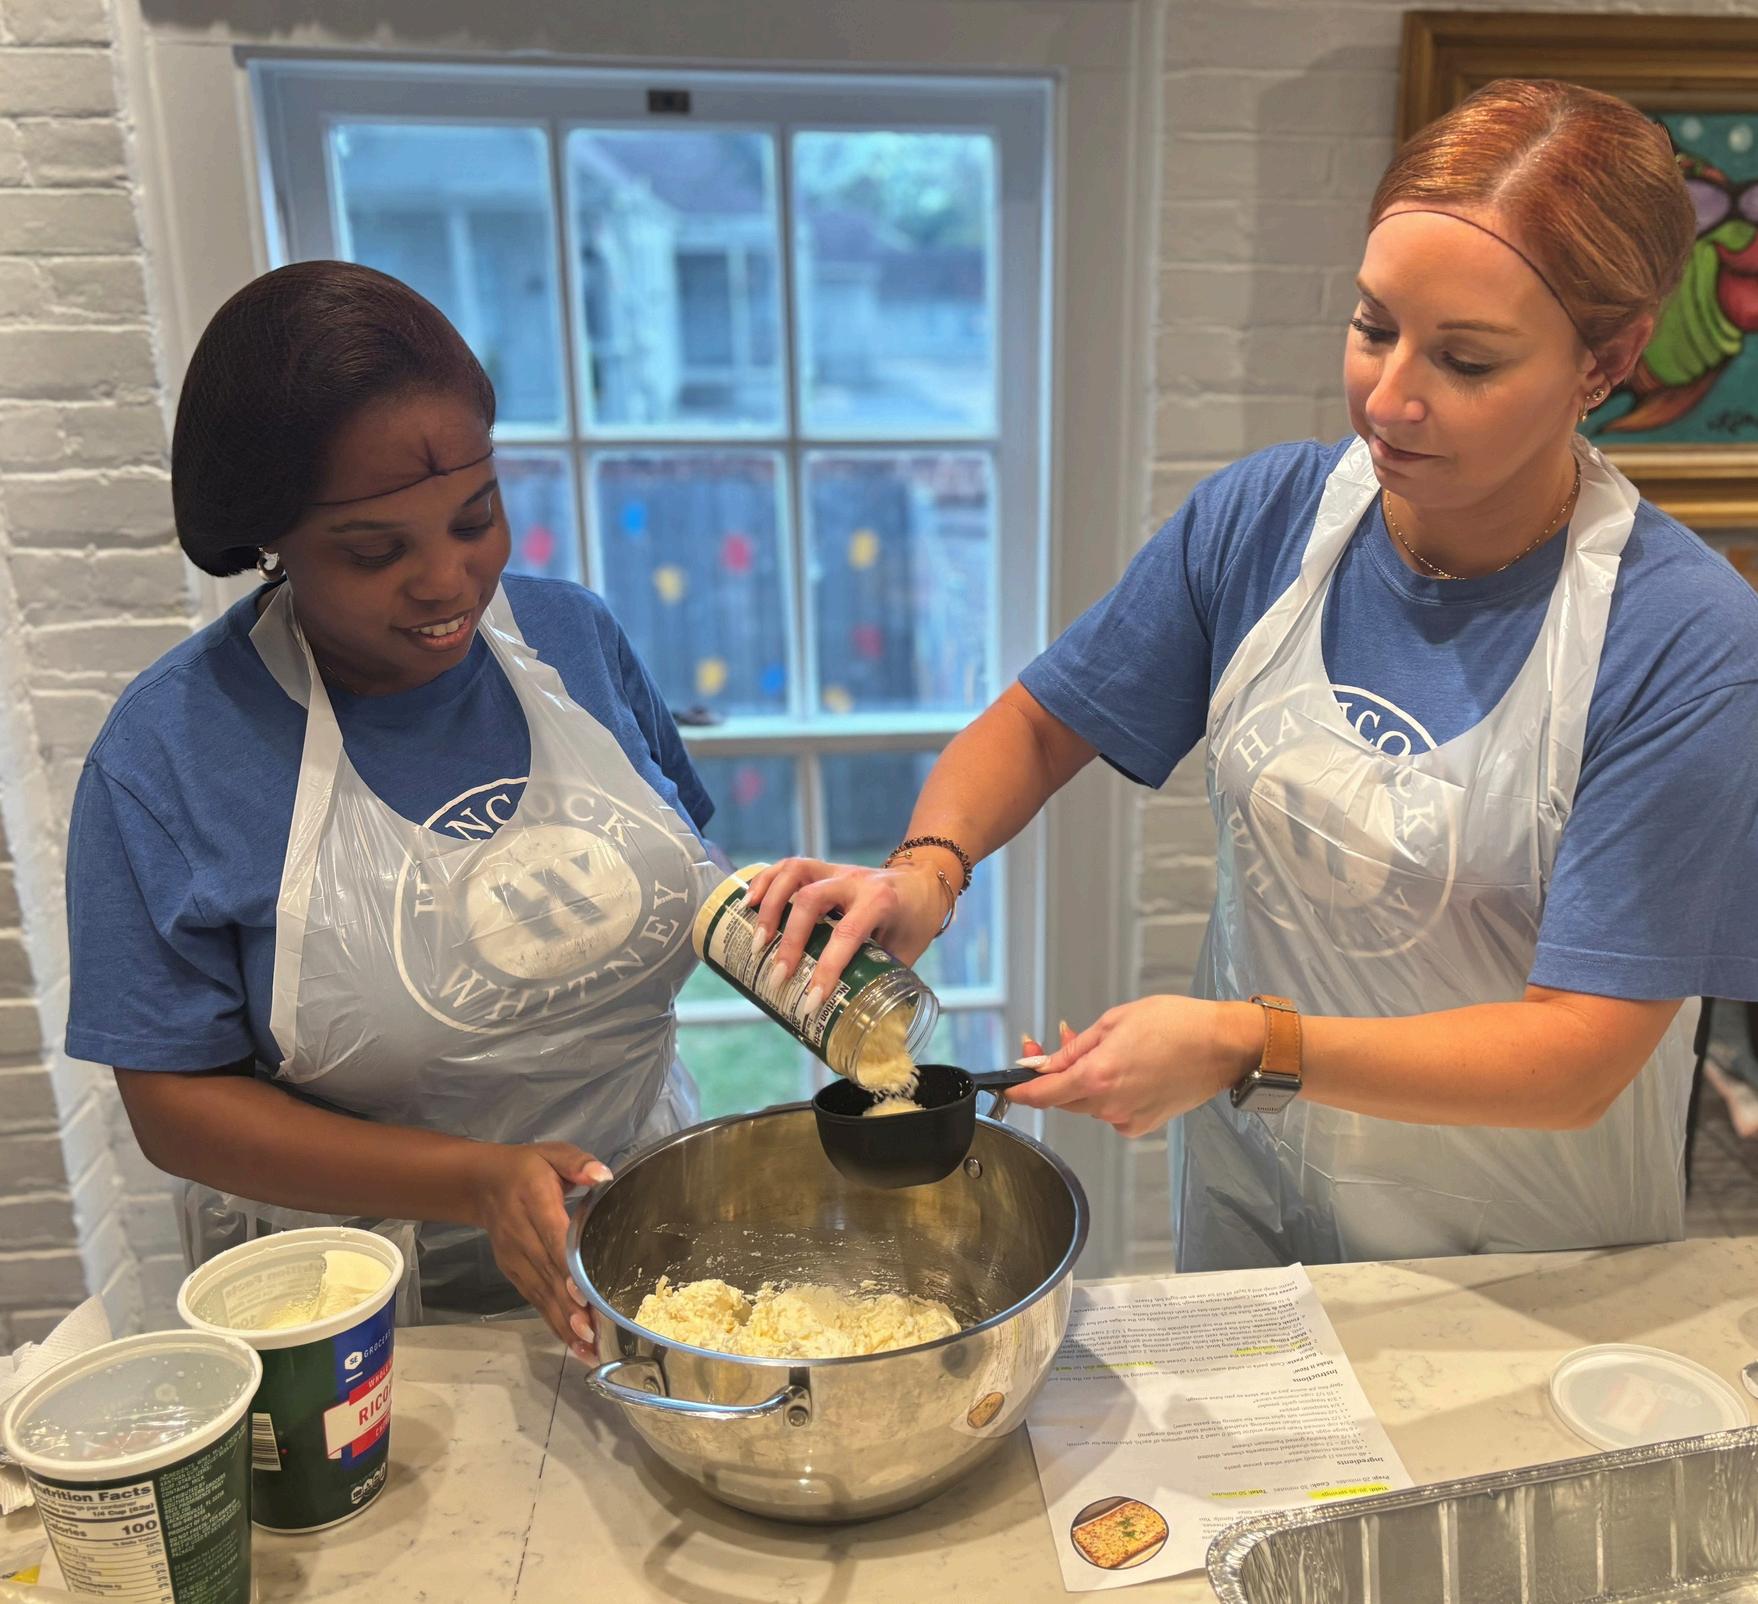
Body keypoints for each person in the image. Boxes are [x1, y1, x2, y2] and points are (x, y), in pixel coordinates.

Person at [744, 80, 1758, 1270]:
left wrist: (1245, 1042)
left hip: (1525, 1257)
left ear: (1610, 359)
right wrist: (928, 870)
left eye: (1467, 360)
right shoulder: (1268, 520)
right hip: (1261, 1196)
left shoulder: (1682, 640)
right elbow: (1039, 724)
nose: (1390, 397)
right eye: (1373, 326)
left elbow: (1578, 1054)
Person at [64, 261, 718, 1354]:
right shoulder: (169, 753)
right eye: (375, 551)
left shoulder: (573, 640)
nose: (448, 581)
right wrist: (474, 1180)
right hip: (352, 1318)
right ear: (270, 537)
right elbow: (175, 1108)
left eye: (476, 517)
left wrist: (811, 936)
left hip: (650, 1245)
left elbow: (688, 872)